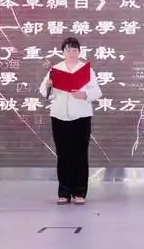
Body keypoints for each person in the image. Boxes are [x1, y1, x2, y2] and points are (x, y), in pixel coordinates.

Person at [40, 37, 102, 205]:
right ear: (63, 52)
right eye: (68, 50)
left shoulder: (86, 70)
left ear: (79, 52)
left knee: (80, 154)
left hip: (81, 116)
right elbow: (45, 93)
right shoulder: (55, 69)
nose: (72, 53)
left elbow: (97, 92)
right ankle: (64, 191)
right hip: (59, 116)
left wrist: (84, 94)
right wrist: (49, 85)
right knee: (63, 154)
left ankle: (79, 192)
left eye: (75, 50)